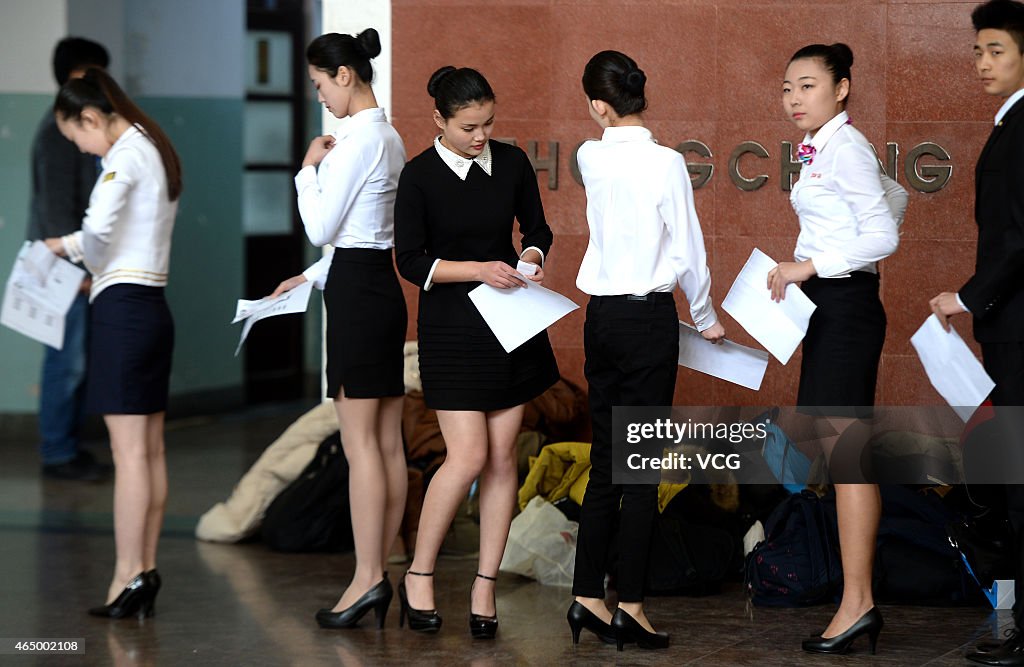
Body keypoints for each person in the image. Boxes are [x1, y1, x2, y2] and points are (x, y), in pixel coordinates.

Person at [566, 50, 725, 652]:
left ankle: (586, 595)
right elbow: (688, 248)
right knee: (640, 467)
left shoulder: (589, 155)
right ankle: (629, 604)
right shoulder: (665, 164)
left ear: (598, 106)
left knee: (605, 457)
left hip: (600, 318)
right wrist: (706, 318)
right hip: (648, 319)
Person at [394, 65, 559, 638]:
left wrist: (531, 259)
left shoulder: (511, 162)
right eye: (468, 126)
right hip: (453, 327)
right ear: (439, 120)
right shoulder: (417, 177)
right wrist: (479, 271)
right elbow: (411, 261)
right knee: (464, 457)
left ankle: (484, 584)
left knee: (502, 457)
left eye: (488, 123)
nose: (481, 136)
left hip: (512, 322)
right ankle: (419, 574)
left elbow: (536, 228)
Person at [269, 29, 408, 630]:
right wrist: (309, 277)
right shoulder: (391, 136)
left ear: (345, 75)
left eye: (321, 83)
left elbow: (324, 226)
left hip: (356, 294)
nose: (320, 95)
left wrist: (305, 170)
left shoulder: (354, 143)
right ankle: (385, 568)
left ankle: (366, 579)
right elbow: (362, 235)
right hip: (375, 284)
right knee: (386, 443)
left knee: (361, 446)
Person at [769, 43, 904, 655]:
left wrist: (808, 267)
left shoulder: (846, 147)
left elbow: (883, 235)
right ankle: (856, 601)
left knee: (849, 456)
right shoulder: (822, 148)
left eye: (808, 86)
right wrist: (796, 272)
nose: (795, 98)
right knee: (837, 453)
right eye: (789, 88)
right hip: (829, 305)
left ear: (842, 88)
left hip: (847, 308)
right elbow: (834, 228)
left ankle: (858, 604)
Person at [44, 68, 182, 619]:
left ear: (91, 118)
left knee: (129, 456)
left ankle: (127, 575)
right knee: (150, 450)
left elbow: (99, 230)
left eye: (76, 136)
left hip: (123, 315)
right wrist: (94, 268)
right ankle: (143, 571)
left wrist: (61, 245)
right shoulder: (153, 146)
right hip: (149, 307)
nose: (80, 147)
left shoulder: (123, 155)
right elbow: (126, 240)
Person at [929, 2, 1024, 665]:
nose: (982, 62)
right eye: (978, 51)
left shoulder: (1021, 130)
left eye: (995, 49)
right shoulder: (1010, 126)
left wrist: (965, 296)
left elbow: (1017, 236)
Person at [28, 37, 112, 482]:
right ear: (75, 76)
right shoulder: (58, 132)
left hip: (75, 265)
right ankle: (58, 452)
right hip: (64, 268)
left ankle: (68, 447)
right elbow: (57, 210)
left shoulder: (77, 122)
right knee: (67, 361)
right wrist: (77, 270)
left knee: (75, 359)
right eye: (94, 72)